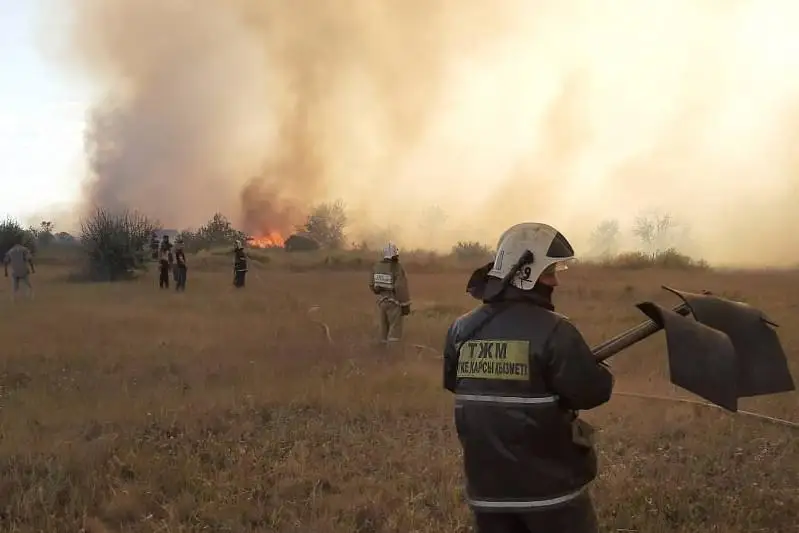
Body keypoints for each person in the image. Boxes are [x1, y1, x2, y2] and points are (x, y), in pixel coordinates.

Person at [443, 222, 614, 533]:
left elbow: (455, 383)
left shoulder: (461, 330)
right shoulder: (556, 331)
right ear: (525, 273)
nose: (556, 282)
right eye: (549, 272)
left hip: (487, 494)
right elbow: (593, 393)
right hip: (552, 497)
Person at [368, 242, 411, 345]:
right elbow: (400, 287)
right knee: (395, 331)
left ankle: (383, 353)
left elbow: (371, 284)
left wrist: (380, 291)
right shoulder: (396, 267)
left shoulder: (376, 267)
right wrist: (405, 305)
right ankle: (393, 354)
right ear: (394, 254)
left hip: (382, 302)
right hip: (394, 303)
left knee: (384, 330)